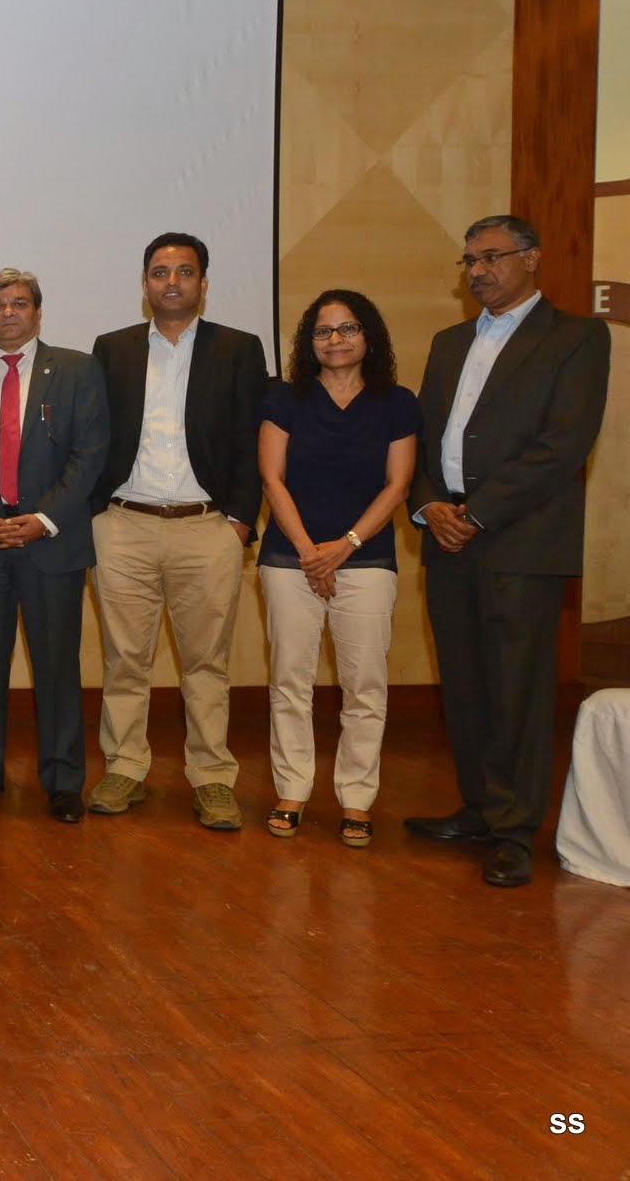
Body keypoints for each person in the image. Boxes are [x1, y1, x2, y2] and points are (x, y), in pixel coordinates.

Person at [404, 215, 611, 888]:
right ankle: (478, 808)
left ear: (532, 258)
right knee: (465, 683)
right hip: (447, 535)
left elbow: (563, 444)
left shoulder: (576, 337)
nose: (478, 271)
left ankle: (515, 829)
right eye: (469, 261)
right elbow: (424, 437)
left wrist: (479, 512)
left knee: (517, 687)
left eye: (491, 257)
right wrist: (430, 505)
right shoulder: (449, 342)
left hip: (520, 539)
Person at [88, 232, 267, 830]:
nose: (172, 282)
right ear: (145, 284)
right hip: (124, 526)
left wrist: (238, 521)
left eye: (184, 272)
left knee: (207, 664)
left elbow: (250, 440)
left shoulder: (239, 348)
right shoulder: (112, 348)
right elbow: (95, 436)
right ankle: (124, 767)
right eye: (160, 272)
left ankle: (212, 777)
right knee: (124, 660)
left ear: (203, 283)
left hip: (207, 528)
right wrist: (95, 515)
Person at [0, 269, 108, 821]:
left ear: (37, 311)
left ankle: (62, 781)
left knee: (56, 665)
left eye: (18, 303)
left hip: (50, 544)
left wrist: (45, 519)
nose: (7, 313)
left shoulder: (77, 369)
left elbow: (89, 455)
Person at [256, 291, 418, 848]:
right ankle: (292, 790)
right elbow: (272, 478)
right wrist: (311, 552)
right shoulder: (284, 398)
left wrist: (343, 546)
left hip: (367, 559)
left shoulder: (397, 402)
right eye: (323, 331)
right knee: (289, 682)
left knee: (365, 686)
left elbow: (398, 484)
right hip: (290, 559)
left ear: (369, 335)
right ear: (309, 341)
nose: (335, 340)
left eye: (348, 328)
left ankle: (357, 798)